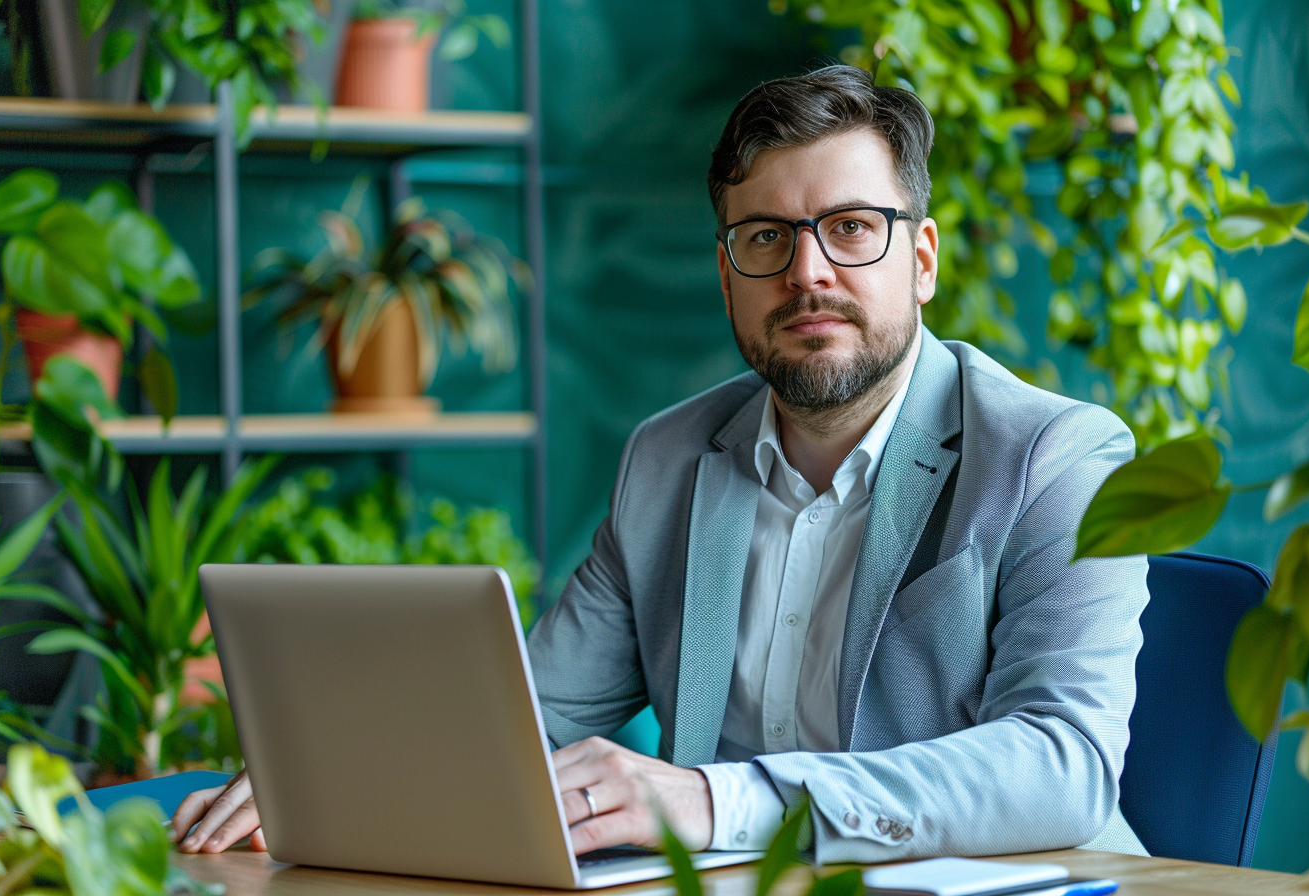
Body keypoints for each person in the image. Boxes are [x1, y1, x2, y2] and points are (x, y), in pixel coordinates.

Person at [171, 64, 1149, 862]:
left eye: (852, 228)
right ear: (727, 273)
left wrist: (715, 802)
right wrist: (337, 770)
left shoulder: (1058, 456)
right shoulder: (668, 458)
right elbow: (536, 713)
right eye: (766, 237)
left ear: (922, 258)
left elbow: (1060, 762)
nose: (808, 271)